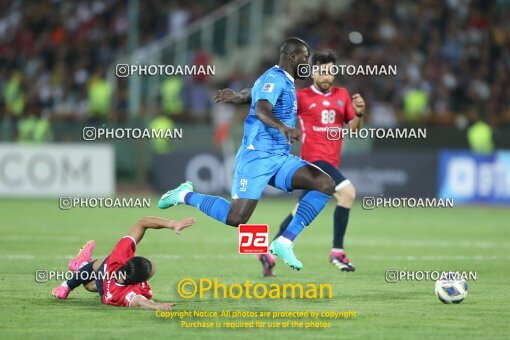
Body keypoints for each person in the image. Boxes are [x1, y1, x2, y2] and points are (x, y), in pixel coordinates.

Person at [158, 37, 336, 271]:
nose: (308, 63)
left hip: (280, 158)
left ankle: (284, 241)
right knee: (236, 218)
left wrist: (236, 97)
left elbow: (253, 94)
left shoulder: (281, 80)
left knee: (324, 183)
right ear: (292, 57)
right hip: (257, 157)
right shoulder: (275, 77)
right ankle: (184, 195)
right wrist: (282, 126)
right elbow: (262, 108)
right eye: (305, 57)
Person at [214, 51, 366, 276]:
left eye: (331, 71)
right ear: (313, 72)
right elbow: (260, 98)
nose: (327, 76)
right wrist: (237, 97)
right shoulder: (301, 96)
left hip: (331, 159)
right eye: (322, 71)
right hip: (313, 158)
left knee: (300, 211)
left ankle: (269, 252)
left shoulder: (342, 95)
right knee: (348, 193)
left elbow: (353, 130)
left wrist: (360, 114)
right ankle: (337, 250)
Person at [51, 216, 196, 309]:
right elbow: (139, 302)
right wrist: (156, 305)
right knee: (91, 285)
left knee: (99, 266)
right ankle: (80, 267)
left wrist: (171, 224)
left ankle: (76, 271)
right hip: (107, 290)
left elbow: (143, 222)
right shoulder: (128, 292)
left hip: (107, 277)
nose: (152, 265)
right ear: (140, 281)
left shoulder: (120, 256)